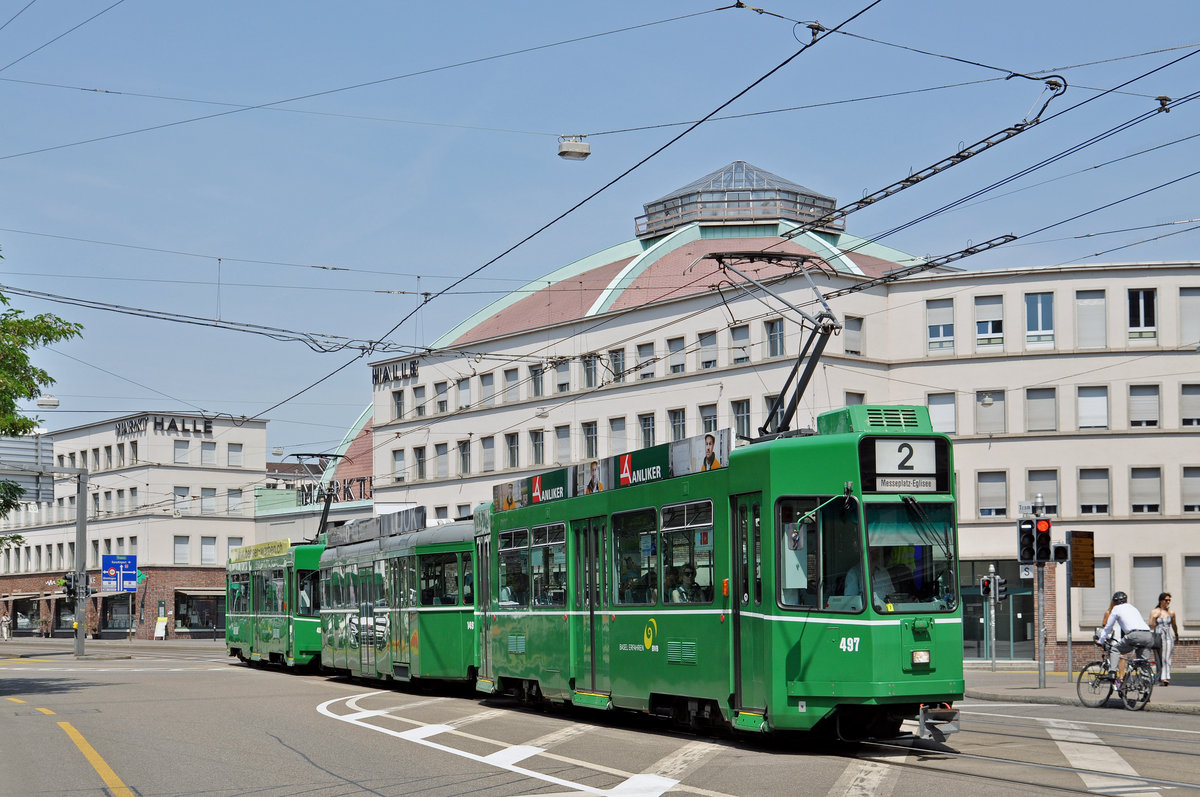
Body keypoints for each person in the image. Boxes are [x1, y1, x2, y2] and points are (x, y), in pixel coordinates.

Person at [1097, 591, 1155, 676]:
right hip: (1148, 635)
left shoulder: (1116, 609)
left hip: (1134, 635)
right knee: (1142, 662)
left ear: (1114, 602)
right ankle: (1145, 685)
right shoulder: (1133, 607)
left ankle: (1112, 673)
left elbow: (1108, 627)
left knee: (1115, 650)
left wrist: (1101, 641)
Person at [1149, 592, 1179, 686]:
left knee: (1166, 658)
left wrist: (1176, 634)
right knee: (1158, 659)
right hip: (1158, 636)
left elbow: (1174, 625)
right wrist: (1154, 618)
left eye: (1169, 600)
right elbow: (1151, 625)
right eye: (1166, 600)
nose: (1168, 602)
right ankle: (1159, 678)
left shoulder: (1171, 613)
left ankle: (1165, 678)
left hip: (1168, 637)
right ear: (1161, 601)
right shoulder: (1154, 611)